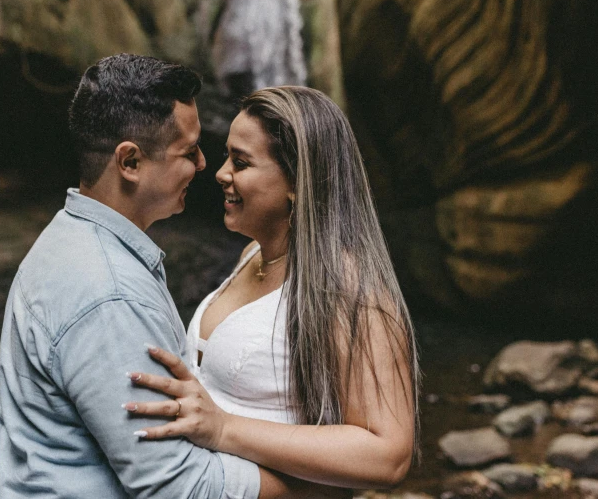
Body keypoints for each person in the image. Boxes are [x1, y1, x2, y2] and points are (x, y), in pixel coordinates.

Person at [0, 54, 331, 498]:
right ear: (130, 162)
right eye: (188, 151)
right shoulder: (110, 295)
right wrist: (314, 491)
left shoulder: (69, 241)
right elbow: (176, 487)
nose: (204, 164)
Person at [124, 86, 421, 494]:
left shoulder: (347, 288)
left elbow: (388, 454)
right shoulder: (254, 254)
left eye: (241, 162)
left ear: (298, 182)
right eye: (228, 156)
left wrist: (224, 428)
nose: (221, 173)